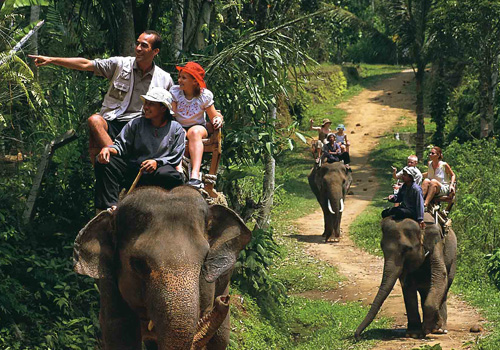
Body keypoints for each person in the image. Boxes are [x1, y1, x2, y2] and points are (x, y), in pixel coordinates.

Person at [29, 30, 174, 165]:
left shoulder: (164, 79)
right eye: (137, 43)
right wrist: (51, 59)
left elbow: (170, 112)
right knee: (94, 120)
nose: (138, 48)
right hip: (112, 120)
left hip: (140, 126)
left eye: (144, 45)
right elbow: (86, 64)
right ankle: (116, 159)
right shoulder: (120, 64)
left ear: (155, 51)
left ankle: (116, 161)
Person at [94, 87, 185, 211]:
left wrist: (156, 162)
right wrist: (108, 150)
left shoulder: (176, 129)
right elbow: (121, 146)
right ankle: (109, 207)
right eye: (145, 103)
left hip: (158, 172)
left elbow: (175, 156)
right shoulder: (136, 124)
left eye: (151, 104)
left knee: (170, 175)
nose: (146, 107)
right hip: (135, 170)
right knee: (105, 162)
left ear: (163, 108)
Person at [170, 61, 223, 189]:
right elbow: (172, 114)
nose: (180, 80)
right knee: (179, 131)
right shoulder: (175, 92)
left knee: (194, 132)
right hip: (180, 126)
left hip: (198, 127)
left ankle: (195, 174)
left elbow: (213, 115)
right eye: (179, 77)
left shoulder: (204, 95)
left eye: (184, 78)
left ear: (194, 81)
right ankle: (179, 169)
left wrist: (217, 119)